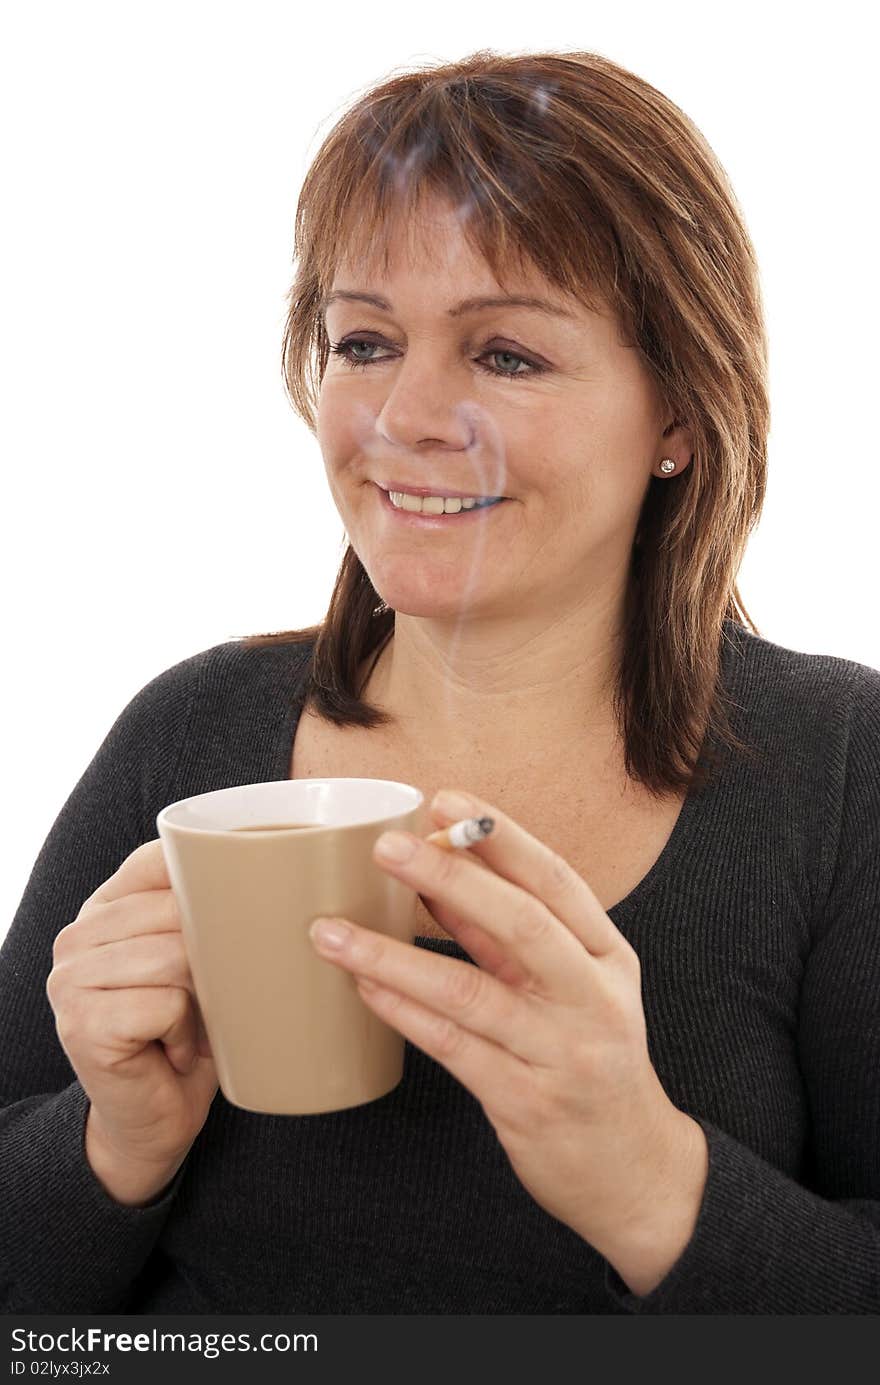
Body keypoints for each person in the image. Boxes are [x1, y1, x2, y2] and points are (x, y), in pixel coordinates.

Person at [2, 47, 878, 1316]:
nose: (403, 414)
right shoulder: (186, 731)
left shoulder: (842, 768)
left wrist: (650, 1182)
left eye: (506, 355)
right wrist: (108, 1143)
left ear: (680, 414)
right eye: (362, 340)